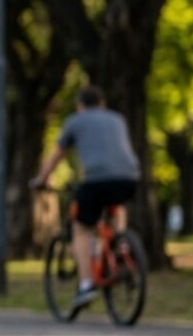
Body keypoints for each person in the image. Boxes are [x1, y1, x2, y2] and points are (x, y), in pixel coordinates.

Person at [31, 85, 139, 309]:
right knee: (116, 205)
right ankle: (120, 246)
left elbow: (57, 154)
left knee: (81, 228)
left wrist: (41, 179)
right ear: (102, 103)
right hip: (129, 177)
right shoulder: (117, 119)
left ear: (80, 105)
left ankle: (86, 284)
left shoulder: (75, 121)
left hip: (96, 179)